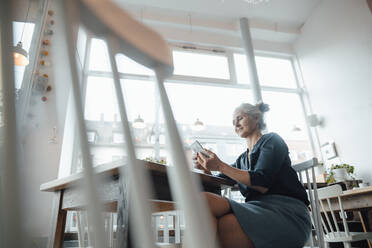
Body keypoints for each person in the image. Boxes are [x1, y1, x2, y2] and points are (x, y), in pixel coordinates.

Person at [193, 102, 311, 248]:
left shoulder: (272, 140)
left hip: (288, 213)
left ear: (256, 117)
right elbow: (221, 180)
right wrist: (207, 169)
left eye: (240, 118)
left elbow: (262, 183)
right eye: (233, 122)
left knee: (208, 204)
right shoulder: (242, 159)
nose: (235, 124)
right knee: (220, 218)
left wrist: (220, 165)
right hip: (257, 210)